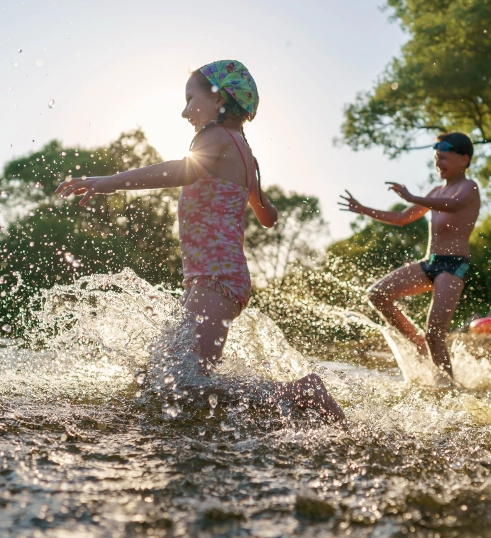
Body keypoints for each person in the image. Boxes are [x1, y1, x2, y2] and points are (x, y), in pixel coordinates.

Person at [56, 60, 345, 421]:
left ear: (219, 98)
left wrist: (108, 181)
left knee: (186, 384)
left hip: (217, 278)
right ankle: (280, 402)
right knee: (158, 378)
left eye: (191, 99)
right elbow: (267, 216)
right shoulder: (246, 153)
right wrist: (254, 191)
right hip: (215, 277)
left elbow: (182, 169)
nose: (184, 111)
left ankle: (300, 392)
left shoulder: (214, 137)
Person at [339, 132, 480, 379]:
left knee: (435, 333)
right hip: (430, 263)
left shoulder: (469, 188)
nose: (438, 164)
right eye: (437, 159)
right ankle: (416, 340)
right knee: (377, 294)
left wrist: (412, 196)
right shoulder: (436, 191)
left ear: (464, 159)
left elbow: (455, 205)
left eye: (444, 158)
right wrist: (363, 209)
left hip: (453, 266)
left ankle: (449, 389)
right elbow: (403, 218)